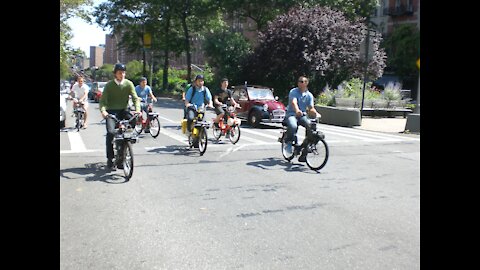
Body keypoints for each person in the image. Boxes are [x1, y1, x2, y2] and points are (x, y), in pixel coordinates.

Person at [99, 63, 141, 170]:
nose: (122, 75)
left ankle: (125, 147)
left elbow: (135, 98)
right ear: (115, 74)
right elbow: (103, 101)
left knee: (132, 120)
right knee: (110, 133)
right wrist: (104, 111)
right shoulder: (109, 85)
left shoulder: (129, 84)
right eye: (119, 73)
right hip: (111, 112)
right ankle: (110, 158)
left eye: (123, 73)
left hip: (123, 110)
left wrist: (137, 110)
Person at [283, 76, 321, 162]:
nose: (301, 83)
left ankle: (306, 147)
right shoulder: (293, 91)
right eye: (300, 81)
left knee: (310, 126)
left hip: (302, 115)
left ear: (306, 83)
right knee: (293, 126)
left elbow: (311, 107)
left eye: (303, 81)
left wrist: (315, 113)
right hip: (292, 114)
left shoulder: (309, 95)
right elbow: (294, 102)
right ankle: (288, 142)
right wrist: (297, 110)